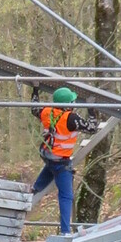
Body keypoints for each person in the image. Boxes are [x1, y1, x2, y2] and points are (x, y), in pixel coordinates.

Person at [30, 84, 92, 233]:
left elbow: (34, 108)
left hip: (48, 156)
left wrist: (35, 90)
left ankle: (36, 188)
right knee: (66, 196)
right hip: (60, 161)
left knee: (51, 167)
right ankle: (65, 232)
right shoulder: (71, 118)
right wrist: (92, 109)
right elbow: (92, 128)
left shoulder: (47, 112)